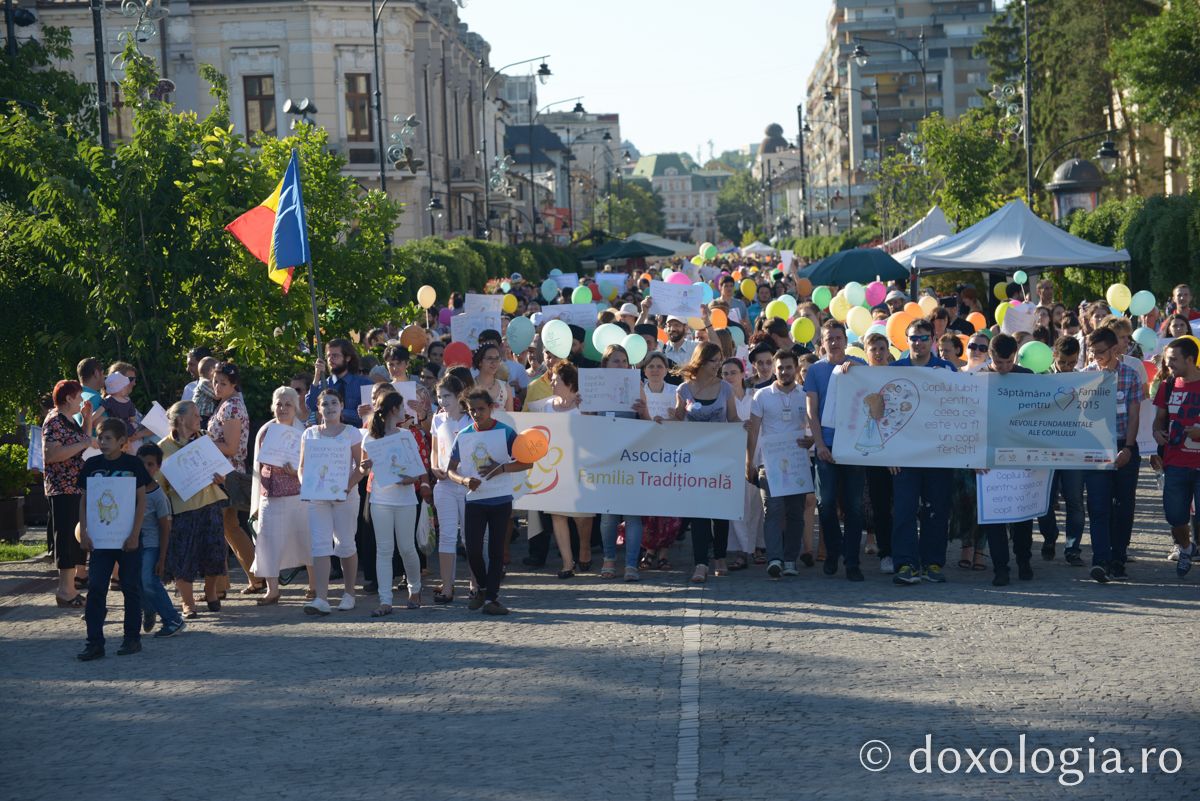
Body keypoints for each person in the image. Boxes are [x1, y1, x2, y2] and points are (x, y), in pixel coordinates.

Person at [446, 388, 532, 616]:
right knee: (472, 549)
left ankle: (492, 598)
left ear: (491, 407)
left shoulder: (505, 432)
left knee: (496, 551)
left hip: (500, 498)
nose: (476, 414)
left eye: (481, 409)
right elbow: (450, 470)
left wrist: (501, 468)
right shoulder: (463, 434)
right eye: (472, 410)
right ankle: (483, 589)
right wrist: (463, 480)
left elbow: (527, 462)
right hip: (475, 499)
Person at [75, 419, 155, 661]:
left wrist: (134, 534)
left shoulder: (133, 465)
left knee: (130, 587)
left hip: (127, 539)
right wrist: (85, 532)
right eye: (100, 437)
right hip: (100, 540)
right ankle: (94, 643)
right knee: (97, 588)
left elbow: (142, 500)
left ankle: (132, 638)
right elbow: (85, 500)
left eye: (108, 438)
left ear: (122, 441)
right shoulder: (92, 464)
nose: (103, 442)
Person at [888, 318, 958, 586]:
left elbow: (960, 410)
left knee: (936, 511)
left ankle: (932, 563)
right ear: (906, 341)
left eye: (923, 337)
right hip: (903, 457)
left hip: (938, 454)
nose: (918, 342)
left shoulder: (946, 369)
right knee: (904, 510)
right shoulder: (894, 369)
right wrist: (889, 454)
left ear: (933, 340)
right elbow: (885, 416)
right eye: (913, 338)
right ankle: (905, 563)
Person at [805, 320, 867, 581]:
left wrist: (858, 373)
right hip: (827, 445)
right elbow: (812, 411)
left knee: (854, 506)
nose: (834, 342)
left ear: (845, 340)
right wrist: (819, 444)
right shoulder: (815, 371)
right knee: (826, 504)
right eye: (829, 338)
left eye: (839, 337)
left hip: (854, 446)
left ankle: (852, 562)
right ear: (822, 343)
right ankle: (832, 552)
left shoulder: (859, 366)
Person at [673, 343, 740, 583]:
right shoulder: (683, 389)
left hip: (721, 458)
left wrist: (744, 427)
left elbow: (733, 418)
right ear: (700, 361)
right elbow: (678, 419)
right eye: (713, 361)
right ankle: (700, 562)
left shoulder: (725, 389)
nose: (718, 365)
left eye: (720, 360)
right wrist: (664, 418)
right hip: (694, 460)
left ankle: (720, 556)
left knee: (720, 511)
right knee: (698, 512)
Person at [1082, 327, 1141, 583]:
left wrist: (1128, 447)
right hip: (1094, 448)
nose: (1097, 357)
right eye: (1093, 352)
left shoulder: (1131, 376)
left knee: (1123, 506)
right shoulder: (1084, 376)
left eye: (1101, 352)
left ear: (1115, 349)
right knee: (1097, 505)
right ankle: (1101, 560)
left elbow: (1134, 413)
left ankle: (1119, 557)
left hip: (1123, 445)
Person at [362, 391, 430, 615]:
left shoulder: (406, 435)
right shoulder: (370, 436)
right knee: (384, 549)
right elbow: (365, 469)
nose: (405, 411)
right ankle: (385, 600)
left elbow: (417, 468)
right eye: (402, 407)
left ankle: (415, 589)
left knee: (407, 548)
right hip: (380, 499)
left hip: (405, 499)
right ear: (394, 409)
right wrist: (366, 466)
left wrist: (411, 479)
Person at [746, 349, 812, 578]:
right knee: (772, 510)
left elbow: (814, 427)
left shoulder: (805, 395)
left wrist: (812, 439)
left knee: (795, 513)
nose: (784, 371)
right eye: (780, 367)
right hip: (769, 463)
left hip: (797, 463)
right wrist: (749, 462)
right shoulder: (761, 396)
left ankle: (790, 559)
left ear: (796, 369)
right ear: (774, 370)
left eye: (789, 367)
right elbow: (753, 430)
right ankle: (774, 558)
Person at [159, 401, 228, 618]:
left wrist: (220, 478)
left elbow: (221, 472)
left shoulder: (204, 441)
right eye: (196, 415)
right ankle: (188, 604)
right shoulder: (163, 448)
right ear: (180, 420)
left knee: (214, 552)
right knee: (183, 557)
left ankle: (210, 592)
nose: (200, 419)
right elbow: (158, 485)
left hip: (210, 503)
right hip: (183, 510)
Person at [977, 335, 1036, 586]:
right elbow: (971, 419)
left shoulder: (1028, 377)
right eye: (998, 363)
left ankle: (1024, 561)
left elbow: (1038, 416)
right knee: (995, 516)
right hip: (989, 457)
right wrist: (976, 456)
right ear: (990, 357)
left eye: (1008, 362)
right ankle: (1001, 568)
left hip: (1021, 454)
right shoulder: (978, 379)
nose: (1003, 368)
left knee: (1022, 515)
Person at [300, 390, 366, 615]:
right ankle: (321, 598)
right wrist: (306, 485)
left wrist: (346, 486)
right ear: (318, 409)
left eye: (334, 402)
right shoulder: (309, 434)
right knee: (319, 544)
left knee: (346, 543)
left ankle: (349, 593)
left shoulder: (352, 432)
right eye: (324, 404)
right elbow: (302, 467)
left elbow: (362, 466)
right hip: (317, 498)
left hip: (344, 497)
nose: (329, 407)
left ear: (342, 405)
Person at [528, 361, 593, 578]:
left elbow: (594, 434)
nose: (552, 383)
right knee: (557, 514)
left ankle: (584, 549)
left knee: (581, 516)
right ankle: (567, 563)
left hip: (579, 467)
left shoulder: (584, 405)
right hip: (554, 468)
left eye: (555, 379)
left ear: (569, 382)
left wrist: (588, 413)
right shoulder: (546, 406)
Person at [249, 387, 313, 605]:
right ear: (272, 406)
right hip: (271, 494)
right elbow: (258, 468)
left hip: (299, 495)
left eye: (288, 404)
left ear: (295, 408)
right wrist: (257, 501)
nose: (283, 408)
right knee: (267, 542)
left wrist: (297, 472)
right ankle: (272, 590)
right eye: (279, 404)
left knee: (307, 539)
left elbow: (310, 465)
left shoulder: (304, 431)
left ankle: (314, 586)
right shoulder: (265, 431)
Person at [209, 362, 263, 594]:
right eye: (215, 381)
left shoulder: (231, 407)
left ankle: (219, 587)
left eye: (223, 383)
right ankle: (256, 577)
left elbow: (230, 447)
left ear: (233, 384)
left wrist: (203, 441)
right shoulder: (228, 404)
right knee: (230, 527)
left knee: (220, 527)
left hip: (226, 472)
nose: (217, 386)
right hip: (227, 471)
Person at [43, 380, 97, 607]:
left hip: (75, 486)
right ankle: (64, 591)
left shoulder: (68, 420)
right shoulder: (54, 420)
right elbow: (51, 454)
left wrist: (87, 420)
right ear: (68, 399)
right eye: (79, 397)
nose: (82, 401)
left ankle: (70, 589)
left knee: (75, 538)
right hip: (62, 488)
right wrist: (85, 440)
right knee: (65, 537)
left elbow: (81, 443)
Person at [1037, 337, 1087, 566]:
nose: (1067, 367)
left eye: (1072, 362)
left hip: (1073, 451)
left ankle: (1072, 548)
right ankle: (1049, 536)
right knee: (1044, 501)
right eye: (1063, 362)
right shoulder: (1040, 379)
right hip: (1045, 451)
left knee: (1075, 500)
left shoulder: (1084, 380)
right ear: (1054, 357)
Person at [1153, 337, 1200, 578]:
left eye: (1173, 359)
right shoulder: (1168, 385)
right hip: (1175, 463)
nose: (1168, 363)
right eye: (1167, 358)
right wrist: (1157, 434)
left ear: (1190, 359)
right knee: (1174, 516)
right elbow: (1158, 420)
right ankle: (1185, 548)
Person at [134, 442, 185, 638]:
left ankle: (173, 619)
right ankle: (149, 609)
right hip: (133, 544)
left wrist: (162, 558)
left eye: (150, 464)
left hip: (151, 545)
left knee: (149, 581)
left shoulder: (158, 496)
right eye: (142, 464)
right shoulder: (129, 489)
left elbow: (165, 528)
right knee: (137, 582)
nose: (146, 468)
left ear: (158, 467)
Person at [430, 375, 471, 602]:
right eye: (439, 396)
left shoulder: (469, 420)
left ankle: (475, 583)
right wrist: (434, 466)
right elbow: (435, 450)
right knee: (446, 535)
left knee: (469, 536)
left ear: (458, 396)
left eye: (447, 396)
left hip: (466, 484)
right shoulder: (438, 420)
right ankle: (447, 586)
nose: (443, 401)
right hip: (444, 484)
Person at [306, 338, 374, 428]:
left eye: (335, 356)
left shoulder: (365, 384)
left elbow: (370, 415)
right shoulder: (324, 384)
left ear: (348, 358)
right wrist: (317, 376)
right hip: (330, 437)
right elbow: (311, 405)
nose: (330, 359)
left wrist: (338, 411)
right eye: (328, 356)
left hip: (357, 436)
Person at [472, 341, 515, 412]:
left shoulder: (505, 387)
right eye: (490, 358)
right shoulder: (469, 386)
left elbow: (511, 419)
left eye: (497, 358)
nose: (494, 362)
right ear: (480, 362)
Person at [76, 358, 105, 430]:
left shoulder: (74, 397)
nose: (104, 377)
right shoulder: (95, 398)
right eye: (103, 373)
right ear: (96, 373)